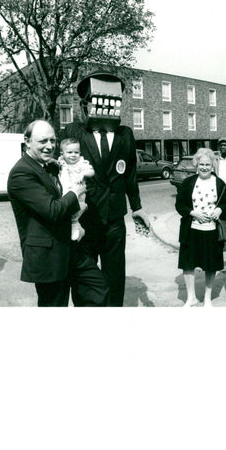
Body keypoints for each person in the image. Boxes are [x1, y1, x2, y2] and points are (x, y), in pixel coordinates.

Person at [60, 71, 149, 307]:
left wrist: (137, 207)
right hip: (86, 219)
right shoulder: (76, 132)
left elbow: (129, 173)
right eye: (97, 100)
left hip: (114, 220)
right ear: (86, 104)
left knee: (115, 275)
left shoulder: (125, 134)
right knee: (84, 275)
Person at [7, 119, 108, 307]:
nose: (49, 146)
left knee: (98, 288)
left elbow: (73, 167)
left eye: (52, 141)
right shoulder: (21, 173)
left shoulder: (49, 166)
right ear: (27, 141)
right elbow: (52, 211)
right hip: (49, 257)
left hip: (71, 249)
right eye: (43, 141)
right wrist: (74, 193)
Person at [175, 148, 226, 307]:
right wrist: (193, 212)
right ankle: (191, 297)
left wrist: (220, 209)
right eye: (201, 164)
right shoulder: (188, 183)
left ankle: (207, 298)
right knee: (188, 264)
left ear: (213, 165)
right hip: (190, 230)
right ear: (196, 165)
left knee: (210, 265)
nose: (204, 167)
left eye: (207, 164)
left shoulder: (220, 184)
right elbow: (179, 205)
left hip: (212, 231)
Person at [57, 137, 95, 242]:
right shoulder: (61, 162)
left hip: (79, 193)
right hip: (65, 191)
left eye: (76, 152)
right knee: (64, 210)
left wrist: (83, 174)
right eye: (69, 152)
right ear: (62, 153)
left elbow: (92, 172)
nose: (73, 155)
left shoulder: (81, 163)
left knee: (75, 211)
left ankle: (75, 225)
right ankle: (77, 228)